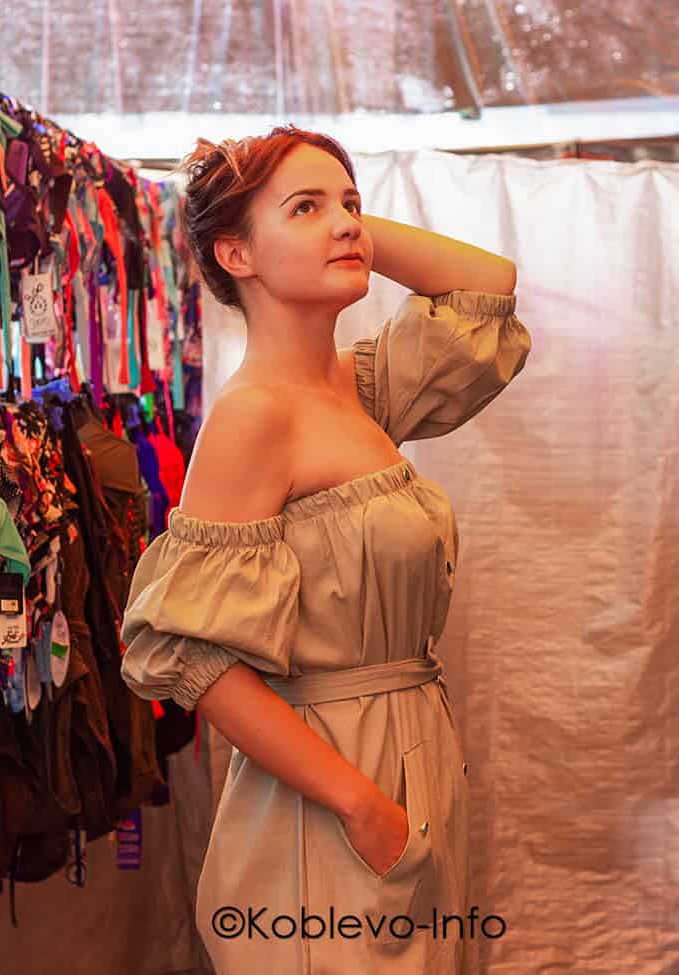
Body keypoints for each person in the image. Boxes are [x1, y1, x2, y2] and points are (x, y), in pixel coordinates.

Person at [120, 125, 531, 973]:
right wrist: (360, 804)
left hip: (413, 760)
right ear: (236, 253)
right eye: (305, 208)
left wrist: (344, 229)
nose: (345, 222)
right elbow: (191, 655)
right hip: (335, 788)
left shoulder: (359, 387)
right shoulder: (253, 417)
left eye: (350, 202)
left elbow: (486, 289)